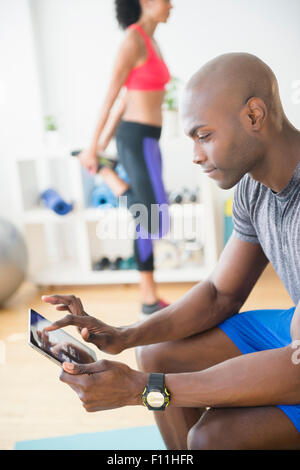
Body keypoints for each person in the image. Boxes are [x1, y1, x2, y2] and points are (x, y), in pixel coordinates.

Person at [42, 52, 300, 450]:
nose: (196, 155)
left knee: (211, 439)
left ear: (254, 116)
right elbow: (220, 293)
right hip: (292, 329)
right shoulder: (253, 187)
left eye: (205, 135)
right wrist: (124, 335)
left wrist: (140, 391)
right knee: (155, 354)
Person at [78, 0, 173, 316]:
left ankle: (108, 172)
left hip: (149, 140)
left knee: (157, 217)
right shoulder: (133, 40)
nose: (172, 4)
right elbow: (111, 95)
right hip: (135, 138)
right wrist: (93, 146)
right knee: (149, 218)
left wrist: (103, 145)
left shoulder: (153, 41)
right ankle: (149, 299)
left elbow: (127, 98)